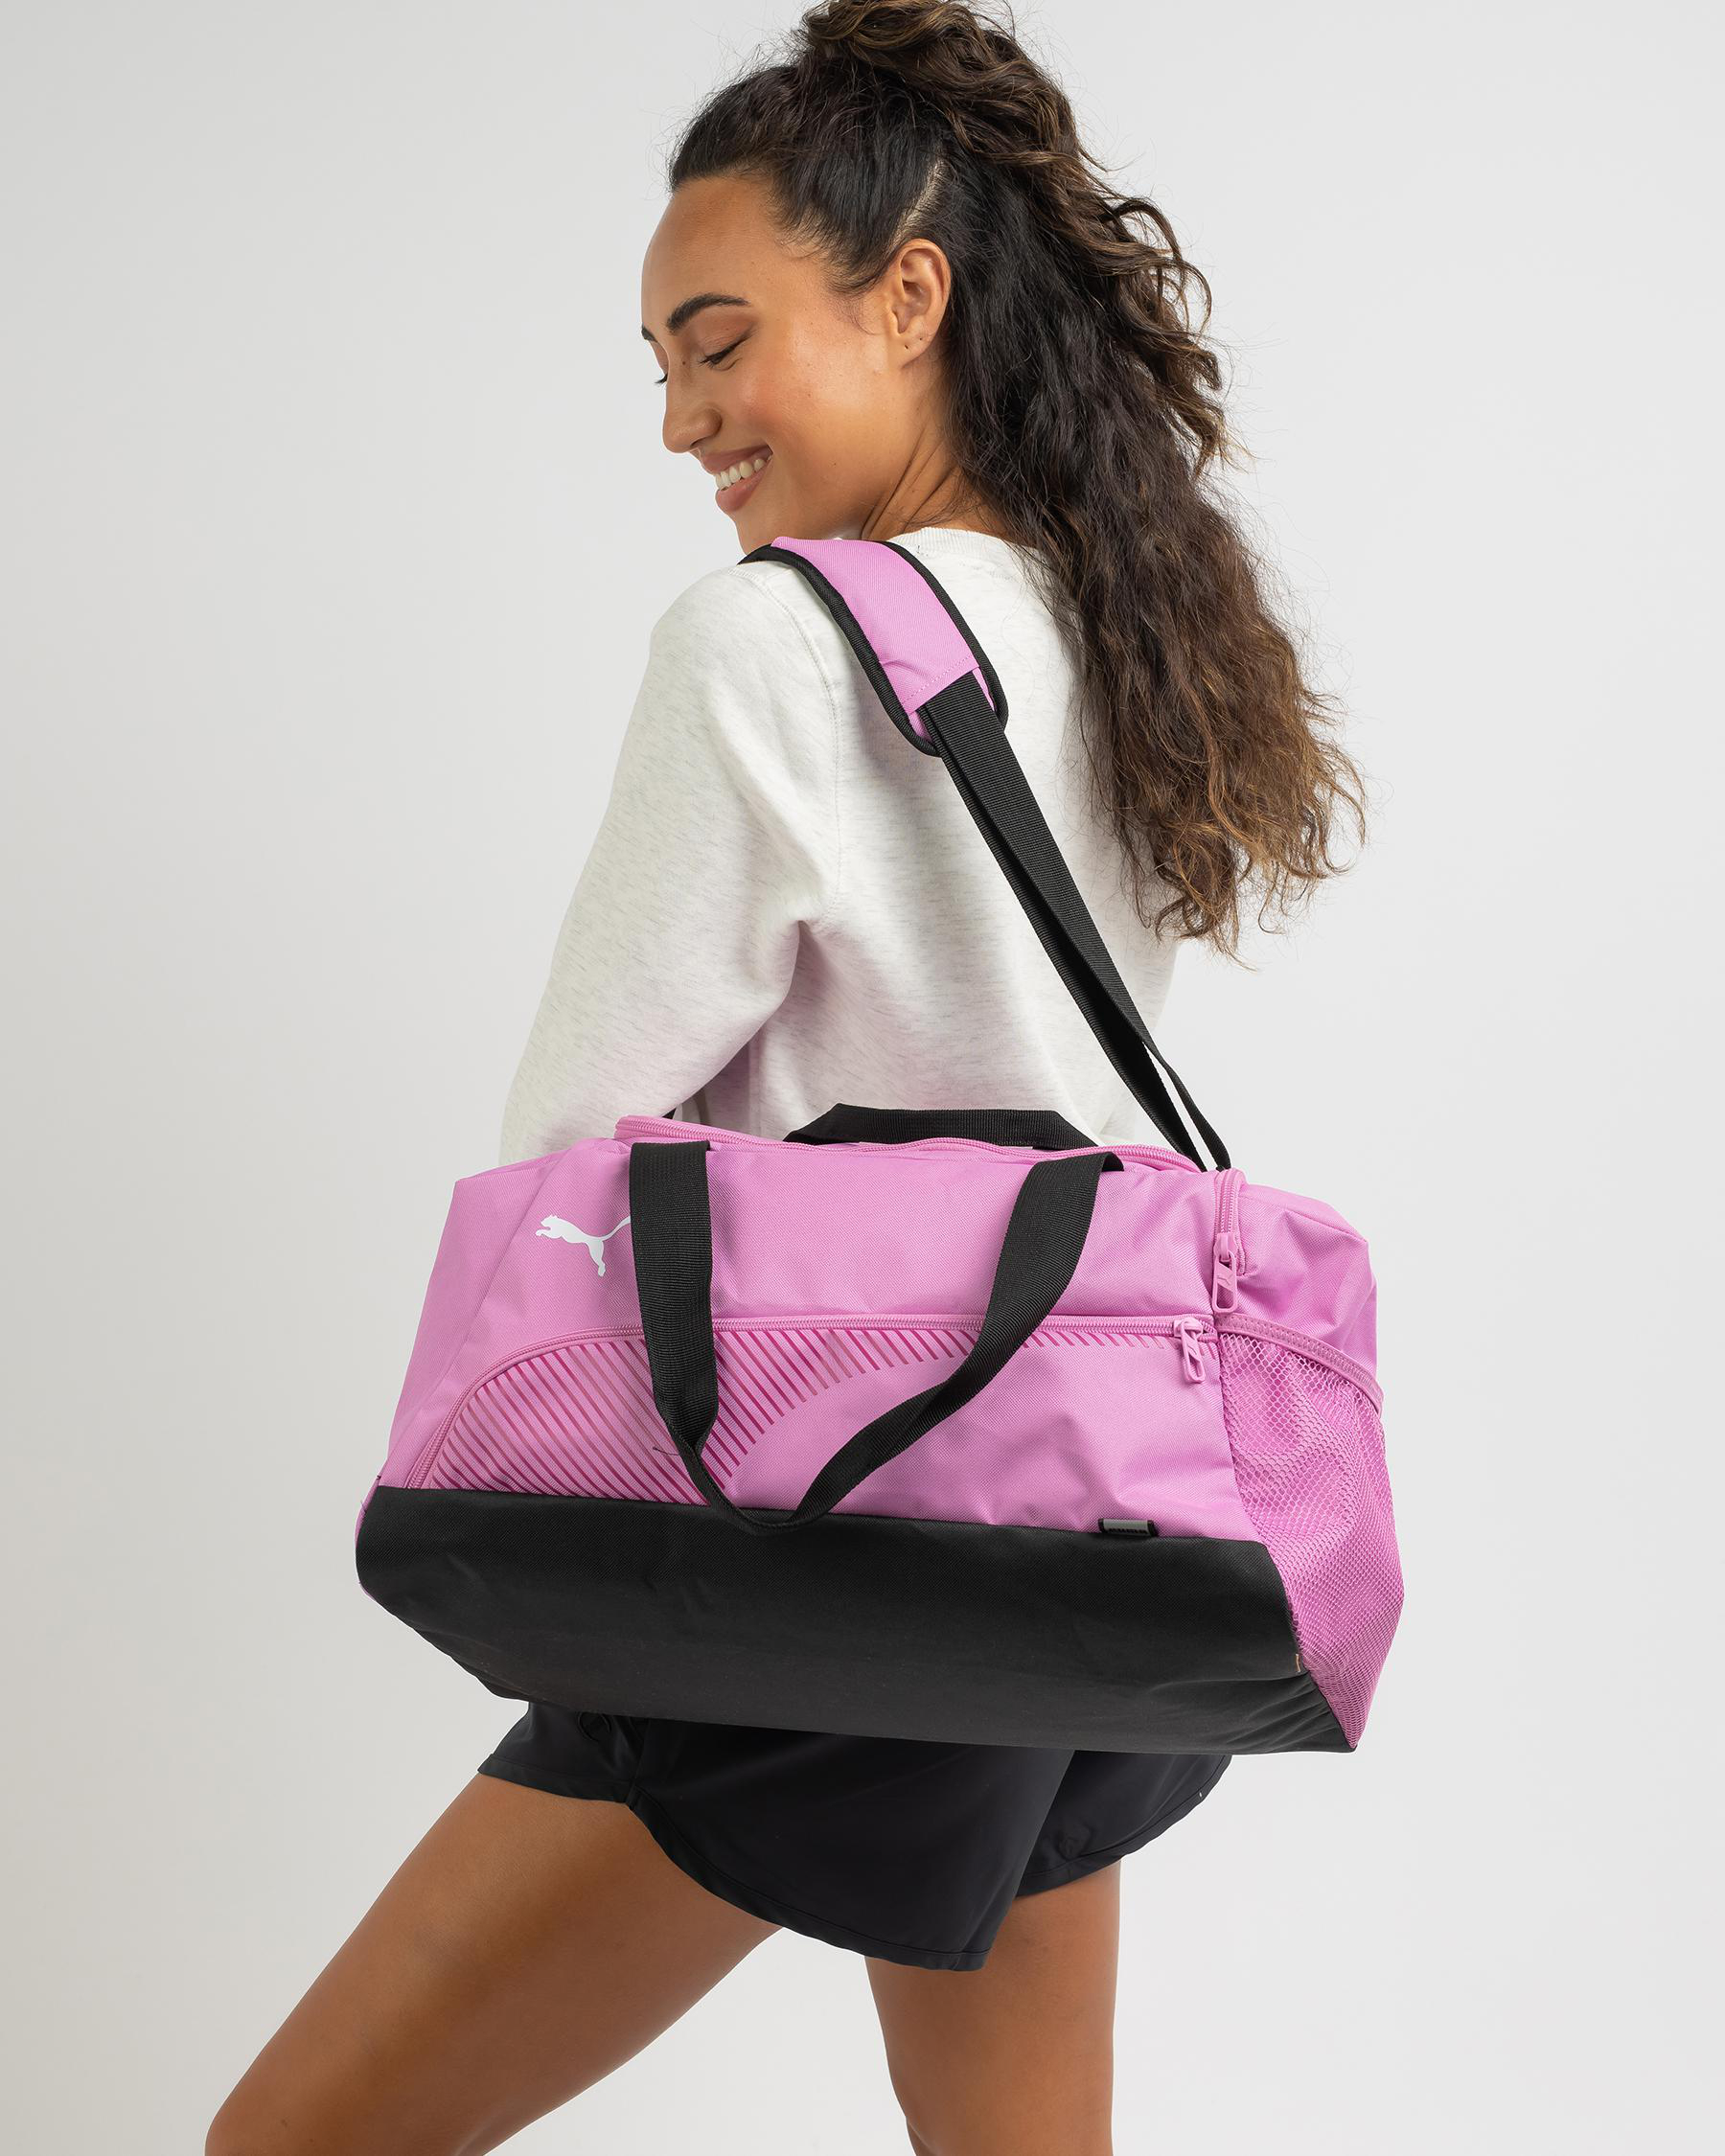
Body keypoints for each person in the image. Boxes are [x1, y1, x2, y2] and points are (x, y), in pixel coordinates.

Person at [207, 4, 1364, 2150]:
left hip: (814, 1540)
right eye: (659, 366)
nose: (683, 419)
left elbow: (576, 1154)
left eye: (719, 341)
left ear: (909, 297)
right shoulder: (1123, 635)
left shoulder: (766, 641)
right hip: (1071, 1536)